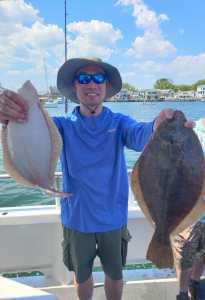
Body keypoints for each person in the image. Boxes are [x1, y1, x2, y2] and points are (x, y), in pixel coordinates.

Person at [0, 56, 190, 300]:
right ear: (75, 87)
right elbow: (32, 132)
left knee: (115, 275)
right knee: (82, 276)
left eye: (98, 78)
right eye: (84, 78)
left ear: (106, 87)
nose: (92, 83)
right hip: (77, 218)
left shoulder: (119, 122)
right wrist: (10, 116)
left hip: (113, 218)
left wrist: (159, 123)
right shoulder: (61, 125)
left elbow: (141, 135)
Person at [172, 95, 205, 300]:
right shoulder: (190, 134)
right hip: (190, 212)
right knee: (185, 256)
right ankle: (183, 292)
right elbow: (177, 170)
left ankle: (195, 282)